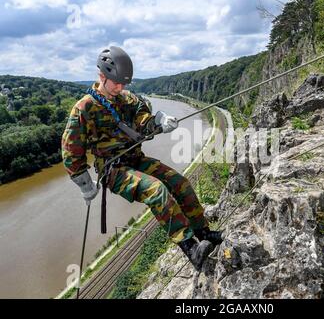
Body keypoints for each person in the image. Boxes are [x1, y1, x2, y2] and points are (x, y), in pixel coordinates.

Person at [61, 46, 222, 271]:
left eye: (123, 83)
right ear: (101, 77)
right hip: (114, 171)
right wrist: (84, 184)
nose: (120, 87)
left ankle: (203, 232)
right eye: (116, 82)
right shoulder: (84, 108)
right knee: (156, 190)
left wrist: (159, 122)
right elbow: (71, 150)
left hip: (136, 160)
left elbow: (143, 119)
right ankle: (192, 250)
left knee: (179, 183)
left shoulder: (128, 99)